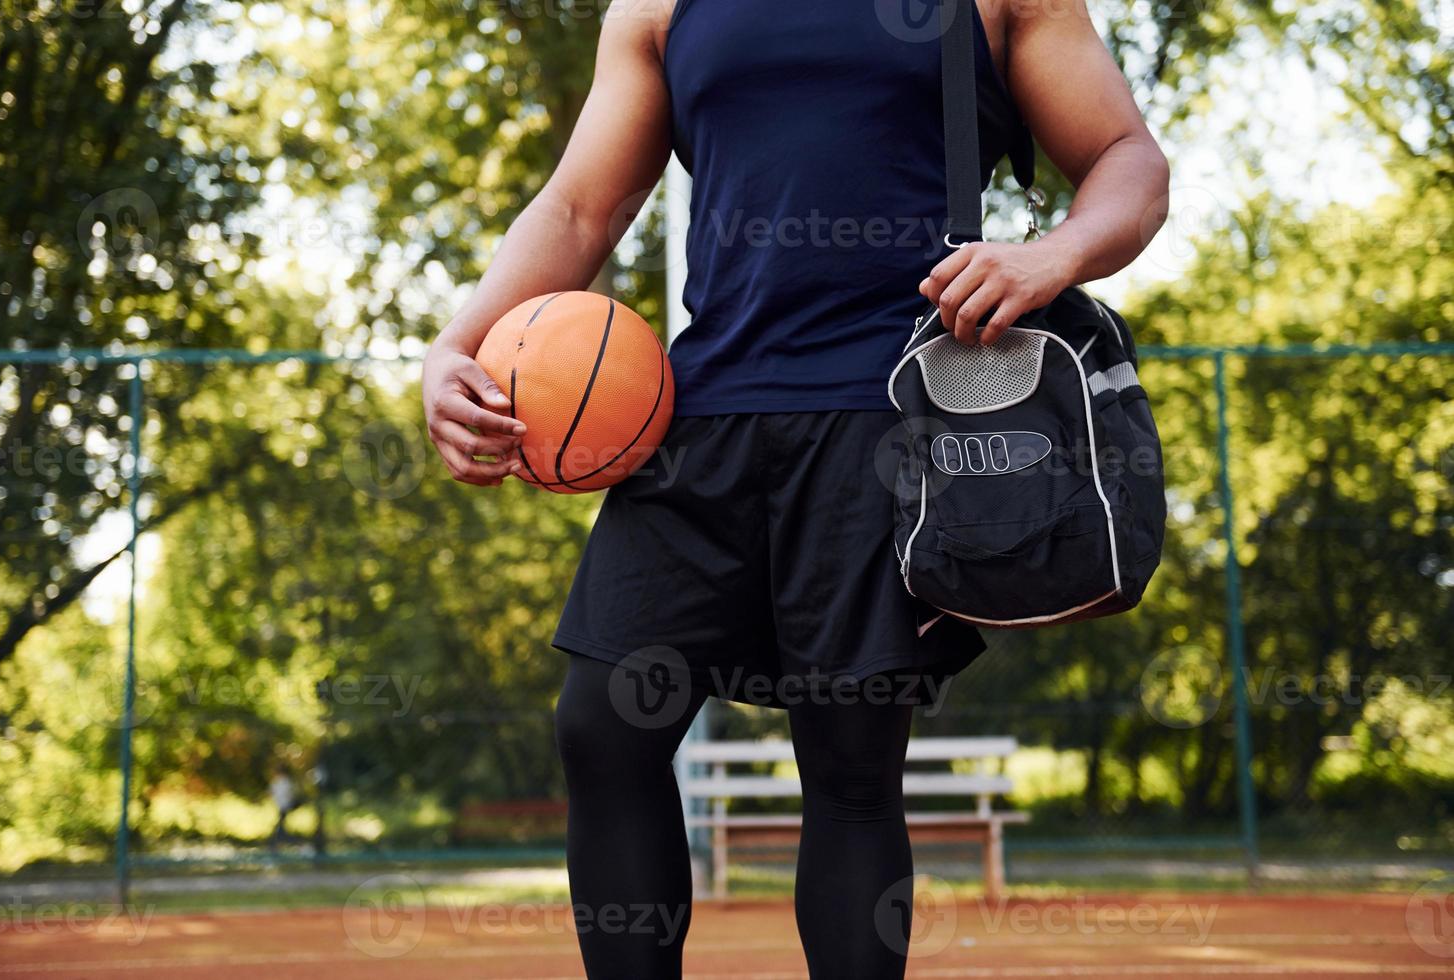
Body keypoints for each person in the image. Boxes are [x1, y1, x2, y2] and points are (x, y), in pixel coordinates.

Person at [421, 0, 1168, 976]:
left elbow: (1129, 157)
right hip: (697, 420)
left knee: (851, 763)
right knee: (602, 725)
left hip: (889, 416)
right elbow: (579, 207)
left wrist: (1052, 253)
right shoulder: (657, 7)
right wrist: (457, 343)